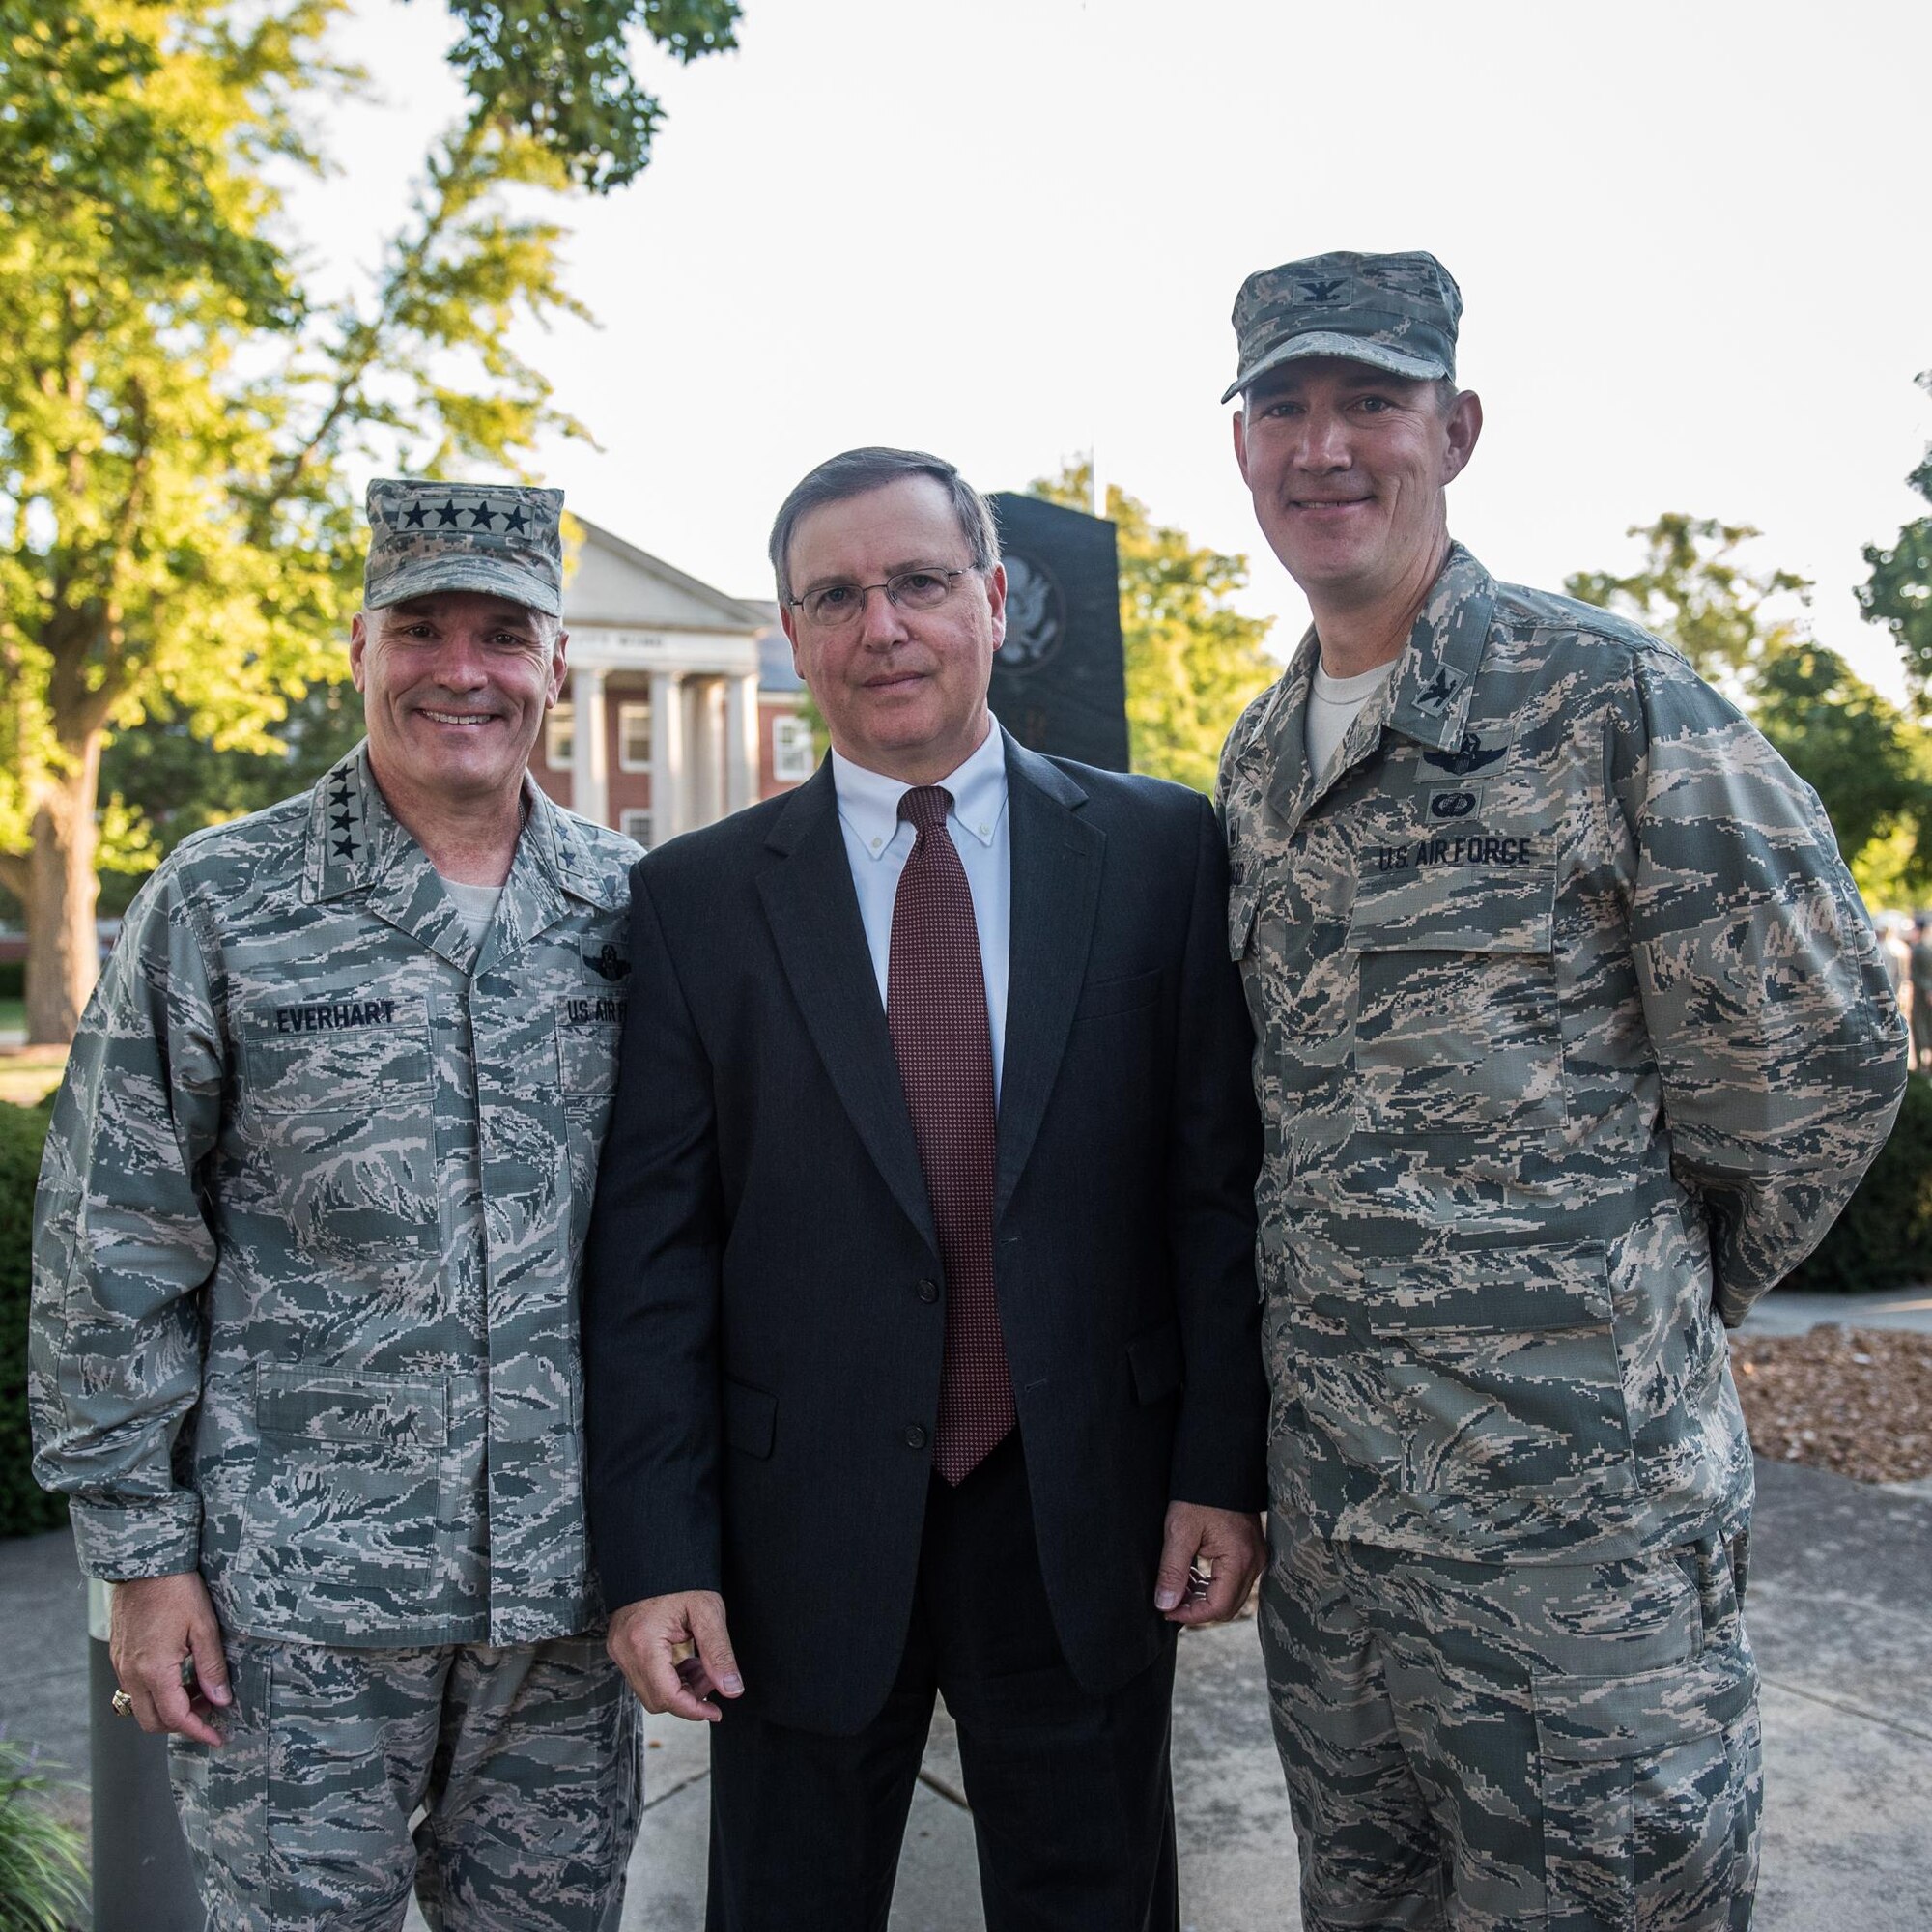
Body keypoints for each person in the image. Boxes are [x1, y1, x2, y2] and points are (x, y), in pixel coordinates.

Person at [1216, 250, 1908, 1931]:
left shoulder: (1606, 699)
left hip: (1579, 1559)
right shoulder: (1257, 759)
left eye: (1369, 403)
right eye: (1282, 409)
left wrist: (1647, 1290)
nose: (1325, 448)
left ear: (1455, 429)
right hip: (1347, 1562)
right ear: (1239, 448)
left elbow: (1822, 1050)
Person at [582, 446, 1268, 1931]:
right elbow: (653, 1258)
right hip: (794, 1539)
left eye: (916, 582)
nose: (879, 625)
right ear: (793, 630)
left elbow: (1214, 1194)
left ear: (995, 599)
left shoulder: (1160, 852)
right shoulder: (696, 901)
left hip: (1083, 1513)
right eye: (833, 596)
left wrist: (1221, 1465)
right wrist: (658, 1554)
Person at [31, 481, 644, 1930]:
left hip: (561, 1606)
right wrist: (141, 1558)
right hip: (293, 1611)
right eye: (421, 628)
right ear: (355, 649)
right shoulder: (225, 900)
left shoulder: (633, 908)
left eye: (505, 633)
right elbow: (110, 1240)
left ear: (555, 664)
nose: (462, 670)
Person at [1909, 917, 1932, 1070]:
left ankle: (1921, 1065)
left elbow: (1918, 975)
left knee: (1920, 1026)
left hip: (1922, 994)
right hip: (1925, 992)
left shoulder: (1920, 949)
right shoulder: (1924, 948)